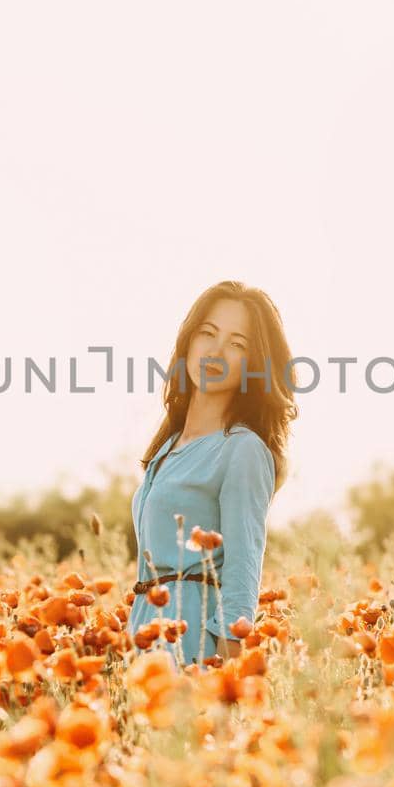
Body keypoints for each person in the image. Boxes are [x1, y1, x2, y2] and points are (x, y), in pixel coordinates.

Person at [125, 281, 297, 667]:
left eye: (237, 344)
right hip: (143, 635)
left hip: (193, 638)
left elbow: (243, 563)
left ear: (254, 364)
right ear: (188, 341)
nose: (217, 351)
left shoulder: (242, 448)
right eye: (208, 333)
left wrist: (224, 664)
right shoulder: (167, 447)